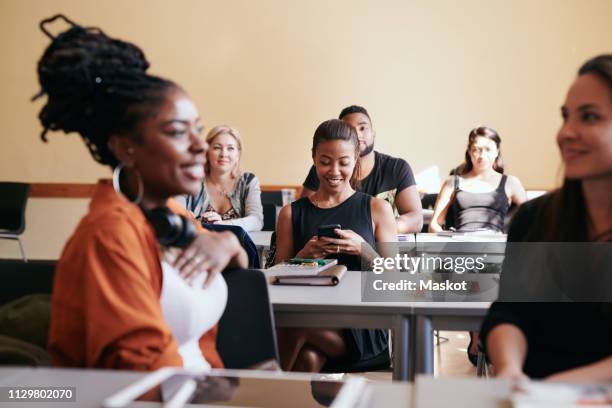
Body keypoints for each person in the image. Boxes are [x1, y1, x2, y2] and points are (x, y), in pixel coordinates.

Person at [35, 15, 248, 371]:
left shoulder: (173, 218)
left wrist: (227, 243)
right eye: (179, 132)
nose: (201, 147)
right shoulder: (109, 235)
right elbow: (145, 373)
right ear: (125, 147)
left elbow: (240, 269)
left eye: (198, 129)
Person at [481, 55, 612, 381]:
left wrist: (559, 388)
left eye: (590, 117)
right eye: (566, 117)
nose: (566, 133)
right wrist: (510, 369)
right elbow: (510, 311)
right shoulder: (534, 219)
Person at [275, 119, 397, 372]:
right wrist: (301, 257)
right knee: (307, 358)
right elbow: (275, 280)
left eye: (343, 162)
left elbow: (396, 279)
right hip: (310, 319)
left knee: (296, 325)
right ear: (313, 158)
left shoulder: (377, 209)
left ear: (356, 160)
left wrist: (363, 249)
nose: (334, 171)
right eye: (325, 161)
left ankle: (258, 390)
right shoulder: (290, 214)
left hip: (363, 329)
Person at [300, 105, 423, 233]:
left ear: (373, 133)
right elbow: (303, 218)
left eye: (363, 128)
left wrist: (372, 229)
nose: (358, 134)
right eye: (350, 129)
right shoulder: (324, 172)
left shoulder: (397, 168)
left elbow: (416, 220)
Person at [429, 126, 527, 233]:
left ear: (497, 152)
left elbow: (532, 217)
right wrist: (449, 239)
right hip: (460, 245)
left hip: (497, 246)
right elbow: (434, 225)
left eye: (488, 149)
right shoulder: (452, 182)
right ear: (469, 152)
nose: (482, 155)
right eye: (476, 150)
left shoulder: (510, 183)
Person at [179, 126, 264, 232]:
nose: (224, 154)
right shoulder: (190, 178)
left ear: (238, 154)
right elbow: (176, 214)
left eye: (230, 148)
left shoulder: (248, 181)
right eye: (217, 147)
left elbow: (257, 221)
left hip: (237, 247)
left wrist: (223, 224)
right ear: (207, 152)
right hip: (197, 245)